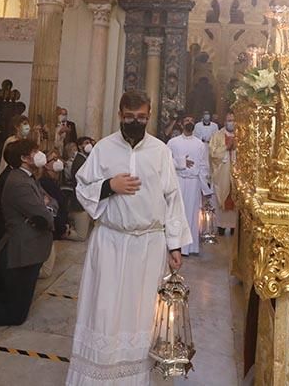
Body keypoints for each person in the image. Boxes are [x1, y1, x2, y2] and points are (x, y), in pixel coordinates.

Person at [66, 90, 191, 385]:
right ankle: (99, 376)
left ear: (149, 116)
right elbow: (82, 188)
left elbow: (172, 199)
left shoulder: (160, 151)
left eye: (142, 118)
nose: (136, 122)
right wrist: (109, 185)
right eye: (129, 117)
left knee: (143, 313)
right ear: (120, 115)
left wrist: (175, 244)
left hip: (149, 245)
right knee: (104, 308)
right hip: (110, 241)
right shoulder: (104, 149)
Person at [0, 139, 53, 326]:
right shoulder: (19, 182)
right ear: (24, 158)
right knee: (14, 312)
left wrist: (46, 208)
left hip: (31, 249)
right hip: (22, 250)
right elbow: (43, 215)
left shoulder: (27, 177)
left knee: (14, 301)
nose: (39, 154)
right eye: (34, 151)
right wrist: (45, 210)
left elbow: (51, 202)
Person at [168, 116, 214, 255]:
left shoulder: (199, 144)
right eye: (187, 121)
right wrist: (181, 162)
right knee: (177, 212)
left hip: (193, 182)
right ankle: (176, 246)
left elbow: (203, 166)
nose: (190, 122)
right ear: (182, 125)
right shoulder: (172, 142)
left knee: (192, 214)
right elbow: (166, 161)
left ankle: (191, 247)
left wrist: (205, 188)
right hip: (178, 180)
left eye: (192, 121)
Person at [208, 113, 238, 235]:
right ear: (225, 122)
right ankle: (220, 226)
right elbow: (213, 154)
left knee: (235, 196)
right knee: (223, 198)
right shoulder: (217, 135)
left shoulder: (242, 135)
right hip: (222, 172)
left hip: (236, 172)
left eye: (233, 120)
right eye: (229, 120)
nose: (231, 122)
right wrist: (226, 147)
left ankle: (233, 226)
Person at [62, 137, 93, 241]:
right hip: (80, 203)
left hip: (87, 200)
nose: (89, 145)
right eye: (86, 143)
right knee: (81, 236)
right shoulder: (79, 160)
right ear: (80, 146)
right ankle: (60, 232)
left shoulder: (84, 158)